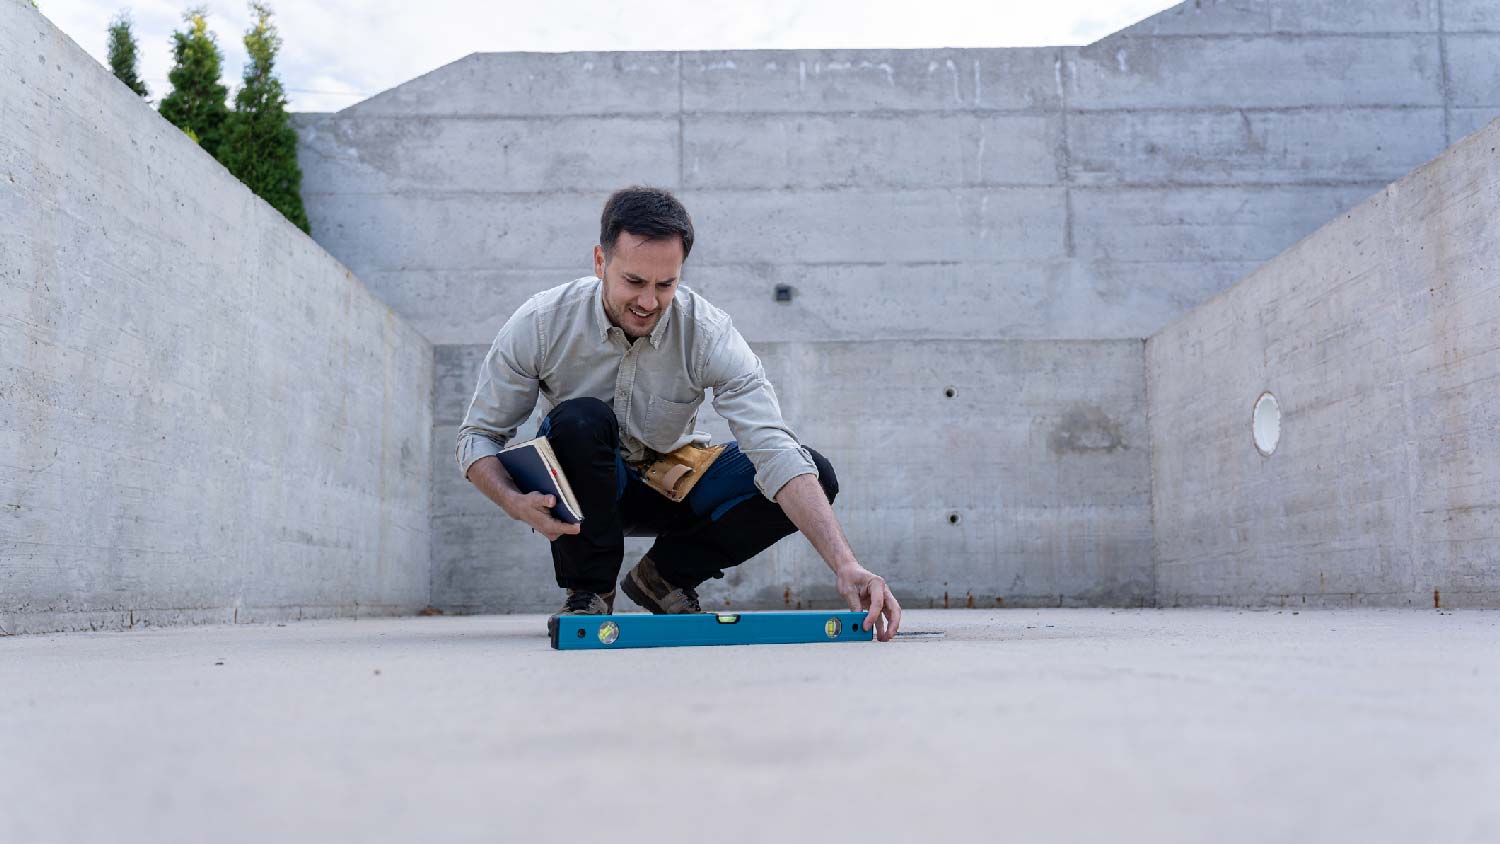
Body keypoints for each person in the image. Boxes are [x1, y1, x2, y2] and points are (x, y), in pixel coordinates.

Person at [456, 187, 901, 641]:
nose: (648, 302)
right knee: (580, 419)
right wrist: (512, 501)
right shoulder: (541, 322)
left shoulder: (707, 333)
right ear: (599, 262)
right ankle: (589, 594)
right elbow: (478, 437)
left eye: (664, 285)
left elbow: (773, 447)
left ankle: (666, 577)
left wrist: (846, 565)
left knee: (814, 474)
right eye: (633, 281)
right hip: (585, 484)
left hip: (670, 480)